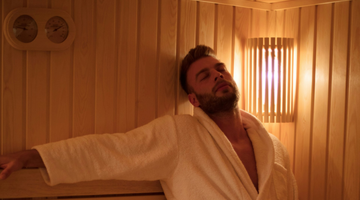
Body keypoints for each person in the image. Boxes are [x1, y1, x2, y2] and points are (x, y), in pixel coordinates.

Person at [0, 45, 298, 200]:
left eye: (221, 70)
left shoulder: (272, 147)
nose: (218, 75)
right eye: (204, 75)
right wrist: (30, 157)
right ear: (194, 100)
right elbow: (109, 151)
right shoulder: (180, 135)